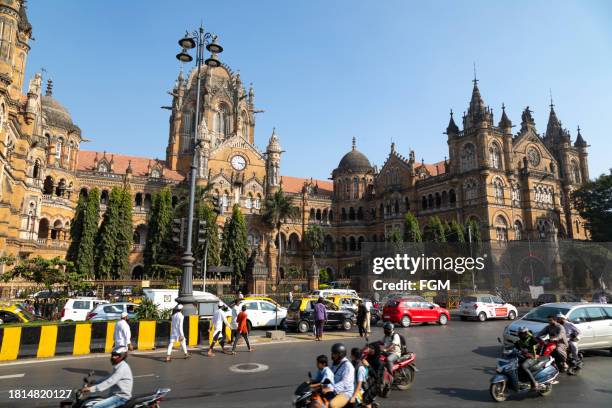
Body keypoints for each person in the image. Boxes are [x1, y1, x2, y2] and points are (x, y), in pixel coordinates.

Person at [329, 343, 355, 408]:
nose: (332, 355)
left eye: (334, 353)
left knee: (332, 404)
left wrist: (331, 388)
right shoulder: (335, 363)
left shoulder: (348, 366)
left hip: (345, 392)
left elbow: (345, 383)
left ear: (340, 355)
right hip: (334, 390)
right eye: (332, 353)